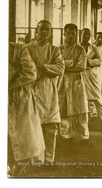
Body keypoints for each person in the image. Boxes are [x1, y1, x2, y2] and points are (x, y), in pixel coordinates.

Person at [25, 20, 65, 163]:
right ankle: (36, 160)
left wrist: (41, 66)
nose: (44, 32)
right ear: (37, 30)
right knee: (33, 126)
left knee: (51, 127)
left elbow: (60, 69)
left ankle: (49, 159)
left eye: (47, 29)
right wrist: (38, 71)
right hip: (31, 90)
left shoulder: (54, 50)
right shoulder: (27, 48)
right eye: (41, 29)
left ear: (50, 32)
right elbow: (23, 67)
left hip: (48, 91)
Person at [8, 43, 45, 176]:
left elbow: (30, 73)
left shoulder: (18, 48)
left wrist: (10, 84)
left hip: (18, 96)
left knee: (23, 141)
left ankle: (16, 172)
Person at [58, 24, 89, 144]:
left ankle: (84, 135)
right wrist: (72, 63)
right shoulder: (58, 49)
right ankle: (66, 135)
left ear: (76, 35)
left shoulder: (80, 49)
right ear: (64, 33)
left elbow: (82, 66)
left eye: (73, 33)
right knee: (64, 108)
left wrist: (64, 66)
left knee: (81, 109)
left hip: (77, 82)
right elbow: (57, 66)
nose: (71, 36)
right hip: (62, 81)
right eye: (68, 33)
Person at [81, 28, 102, 131]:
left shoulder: (93, 49)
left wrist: (86, 63)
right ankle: (83, 125)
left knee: (98, 99)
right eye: (84, 34)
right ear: (80, 35)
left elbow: (99, 61)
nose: (86, 37)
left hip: (92, 75)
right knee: (81, 100)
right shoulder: (76, 48)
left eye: (88, 35)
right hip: (79, 76)